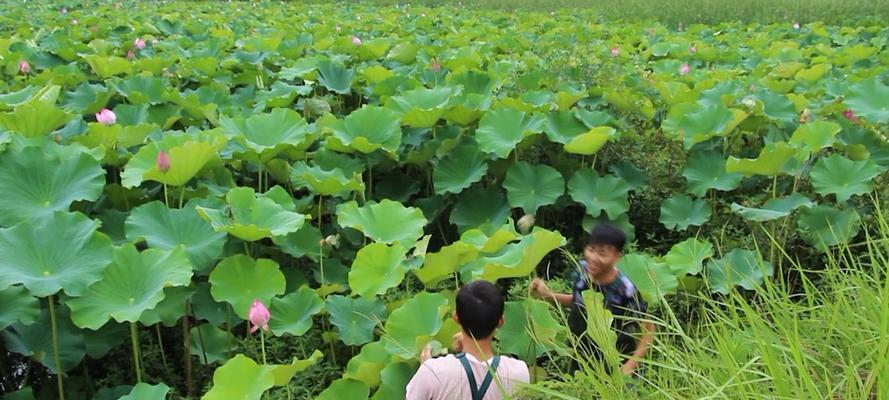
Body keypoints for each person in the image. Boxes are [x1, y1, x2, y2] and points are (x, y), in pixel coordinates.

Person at [530, 223, 654, 376]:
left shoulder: (625, 289)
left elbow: (649, 329)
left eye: (602, 253)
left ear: (617, 256)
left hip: (615, 362)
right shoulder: (582, 270)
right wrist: (548, 295)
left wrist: (631, 365)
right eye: (591, 249)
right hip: (581, 357)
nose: (593, 257)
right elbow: (578, 301)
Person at [406, 280, 530, 400]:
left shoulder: (433, 371)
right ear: (501, 321)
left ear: (456, 317)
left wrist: (427, 368)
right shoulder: (519, 372)